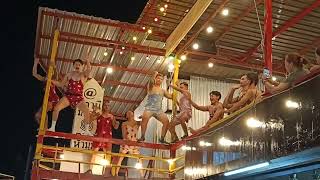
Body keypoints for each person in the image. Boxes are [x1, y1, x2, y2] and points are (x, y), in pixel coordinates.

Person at [51, 57, 92, 134]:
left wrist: (87, 60)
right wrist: (51, 81)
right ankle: (52, 128)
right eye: (76, 64)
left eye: (79, 65)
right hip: (68, 96)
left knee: (87, 112)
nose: (77, 65)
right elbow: (61, 84)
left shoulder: (83, 75)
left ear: (82, 67)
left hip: (78, 97)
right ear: (73, 66)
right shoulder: (69, 74)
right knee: (56, 108)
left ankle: (86, 130)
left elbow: (89, 69)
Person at [86, 101, 119, 175]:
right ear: (103, 106)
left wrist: (117, 123)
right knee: (94, 153)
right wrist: (94, 112)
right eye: (105, 105)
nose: (107, 107)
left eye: (108, 106)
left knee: (108, 155)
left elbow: (115, 127)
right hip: (99, 135)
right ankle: (90, 169)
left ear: (110, 107)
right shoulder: (99, 114)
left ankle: (106, 172)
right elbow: (90, 120)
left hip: (108, 137)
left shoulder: (112, 116)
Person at [138, 71, 172, 144]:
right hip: (149, 108)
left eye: (161, 79)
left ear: (162, 80)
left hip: (158, 110)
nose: (159, 80)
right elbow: (150, 81)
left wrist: (173, 87)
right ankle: (142, 136)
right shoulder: (151, 87)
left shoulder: (163, 90)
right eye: (158, 78)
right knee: (144, 118)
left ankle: (162, 138)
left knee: (166, 122)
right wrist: (154, 74)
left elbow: (170, 96)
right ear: (155, 79)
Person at [32, 57, 60, 129]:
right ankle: (43, 127)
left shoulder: (53, 79)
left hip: (53, 98)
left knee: (44, 111)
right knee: (37, 115)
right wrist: (35, 63)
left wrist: (54, 67)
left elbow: (56, 74)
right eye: (48, 73)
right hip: (48, 98)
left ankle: (45, 127)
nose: (49, 74)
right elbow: (35, 74)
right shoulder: (44, 79)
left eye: (50, 73)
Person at [115, 111, 143, 177]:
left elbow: (143, 124)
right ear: (126, 116)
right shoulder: (124, 123)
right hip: (127, 141)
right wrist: (127, 140)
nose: (130, 113)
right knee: (120, 157)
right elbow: (123, 134)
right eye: (128, 113)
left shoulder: (137, 123)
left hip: (135, 141)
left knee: (139, 158)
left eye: (131, 112)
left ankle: (142, 175)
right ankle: (116, 173)